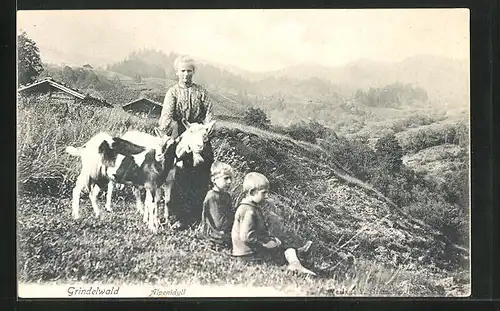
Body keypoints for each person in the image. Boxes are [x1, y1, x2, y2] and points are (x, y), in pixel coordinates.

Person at [159, 55, 215, 229]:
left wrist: (206, 131)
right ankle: (177, 214)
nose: (186, 75)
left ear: (193, 72)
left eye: (189, 71)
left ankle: (200, 213)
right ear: (177, 72)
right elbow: (166, 118)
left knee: (205, 170)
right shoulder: (172, 93)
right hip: (180, 137)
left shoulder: (201, 92)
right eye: (183, 71)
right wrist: (178, 132)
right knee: (175, 172)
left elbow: (209, 115)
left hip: (199, 137)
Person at [231, 172, 315, 275]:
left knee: (281, 246)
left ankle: (297, 258)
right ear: (252, 192)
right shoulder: (249, 210)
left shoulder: (252, 207)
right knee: (280, 251)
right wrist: (265, 243)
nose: (266, 196)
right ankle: (296, 261)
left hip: (250, 251)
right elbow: (246, 237)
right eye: (264, 193)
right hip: (248, 254)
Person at [200, 161, 234, 248]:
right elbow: (219, 223)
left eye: (230, 178)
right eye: (225, 178)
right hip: (215, 235)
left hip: (225, 231)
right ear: (214, 180)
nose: (229, 181)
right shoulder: (212, 197)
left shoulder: (227, 196)